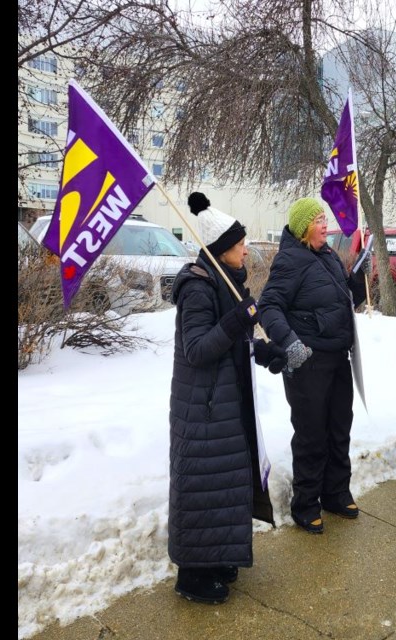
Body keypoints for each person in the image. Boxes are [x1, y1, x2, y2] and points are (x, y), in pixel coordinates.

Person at [168, 192, 276, 604]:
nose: (246, 249)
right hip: (203, 408)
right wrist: (238, 319)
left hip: (226, 403)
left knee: (226, 485)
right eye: (240, 244)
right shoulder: (197, 287)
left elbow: (237, 340)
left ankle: (217, 559)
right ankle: (192, 576)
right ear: (220, 249)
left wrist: (267, 353)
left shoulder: (226, 281)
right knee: (202, 488)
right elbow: (197, 349)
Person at [257, 197, 367, 534]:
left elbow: (346, 299)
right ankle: (305, 503)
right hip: (308, 361)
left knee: (339, 428)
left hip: (338, 358)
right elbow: (269, 307)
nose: (325, 225)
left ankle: (335, 492)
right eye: (319, 220)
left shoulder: (329, 257)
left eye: (325, 219)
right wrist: (290, 343)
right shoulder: (290, 259)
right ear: (304, 226)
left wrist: (360, 276)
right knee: (311, 434)